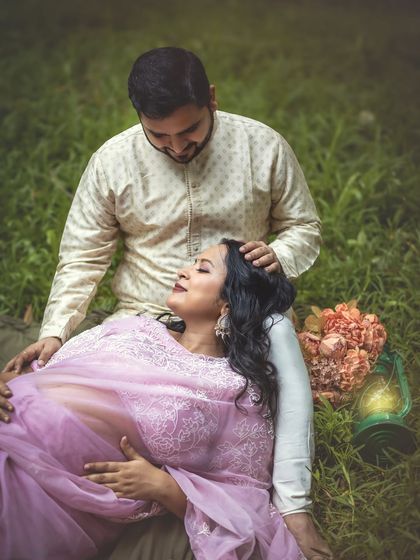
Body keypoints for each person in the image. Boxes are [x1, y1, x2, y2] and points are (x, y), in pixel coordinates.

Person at [1, 48, 330, 558]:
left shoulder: (262, 147)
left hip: (237, 313)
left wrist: (277, 255)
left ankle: (294, 504)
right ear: (138, 117)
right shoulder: (113, 161)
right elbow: (83, 258)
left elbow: (304, 227)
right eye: (159, 136)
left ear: (212, 100)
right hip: (138, 319)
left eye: (190, 131)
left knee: (278, 369)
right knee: (52, 389)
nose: (176, 146)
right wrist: (55, 332)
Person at [1, 240, 320, 560]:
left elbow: (243, 495)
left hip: (49, 491)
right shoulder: (133, 329)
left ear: (228, 303)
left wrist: (165, 488)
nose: (183, 271)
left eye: (202, 269)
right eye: (192, 264)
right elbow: (49, 374)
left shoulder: (234, 392)